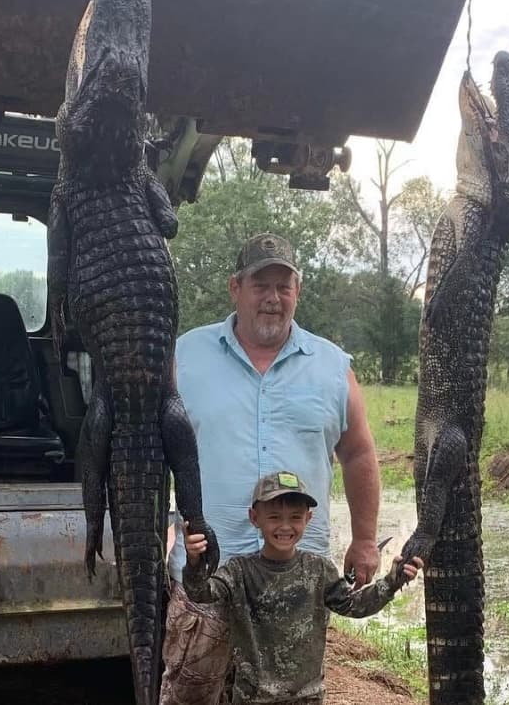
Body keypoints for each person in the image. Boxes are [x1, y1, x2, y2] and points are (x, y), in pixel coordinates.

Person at [160, 233, 384, 704]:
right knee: (192, 696)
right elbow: (151, 453)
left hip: (296, 586)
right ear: (234, 288)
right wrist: (160, 526)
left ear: (297, 291)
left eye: (284, 286)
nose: (273, 299)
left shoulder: (332, 366)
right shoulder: (184, 357)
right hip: (207, 578)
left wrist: (365, 540)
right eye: (261, 285)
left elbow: (359, 454)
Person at [181, 471, 421, 705]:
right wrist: (195, 562)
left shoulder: (319, 570)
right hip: (253, 698)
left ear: (308, 518)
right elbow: (201, 593)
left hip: (307, 697)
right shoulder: (239, 572)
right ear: (255, 518)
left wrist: (392, 581)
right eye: (274, 517)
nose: (285, 526)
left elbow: (354, 606)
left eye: (295, 517)